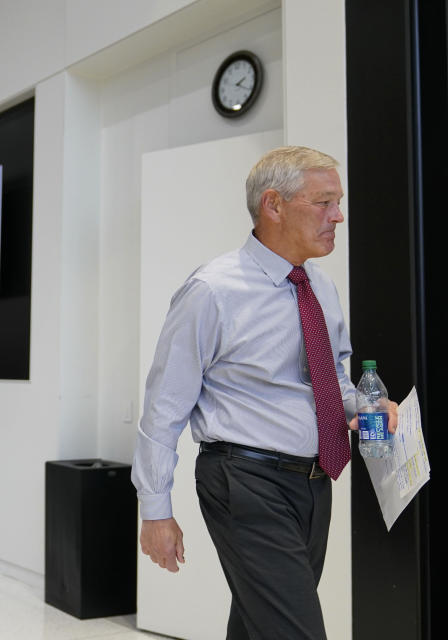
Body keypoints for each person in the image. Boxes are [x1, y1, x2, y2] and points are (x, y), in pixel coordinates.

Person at [132, 146, 399, 640]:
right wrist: (156, 511)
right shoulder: (212, 291)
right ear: (273, 205)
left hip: (315, 482)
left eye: (337, 202)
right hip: (245, 479)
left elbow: (329, 377)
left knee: (261, 625)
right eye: (323, 203)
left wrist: (363, 406)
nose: (338, 216)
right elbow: (164, 407)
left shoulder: (321, 287)